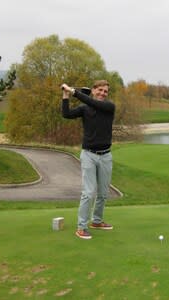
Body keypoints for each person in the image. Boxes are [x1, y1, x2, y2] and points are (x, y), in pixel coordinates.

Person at [61, 81, 116, 240]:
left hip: (106, 155)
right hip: (89, 155)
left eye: (105, 91)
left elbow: (92, 102)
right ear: (93, 91)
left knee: (103, 193)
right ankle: (81, 227)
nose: (103, 93)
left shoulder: (109, 108)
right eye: (100, 90)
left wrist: (74, 92)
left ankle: (97, 221)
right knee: (88, 192)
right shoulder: (84, 109)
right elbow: (66, 114)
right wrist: (65, 96)